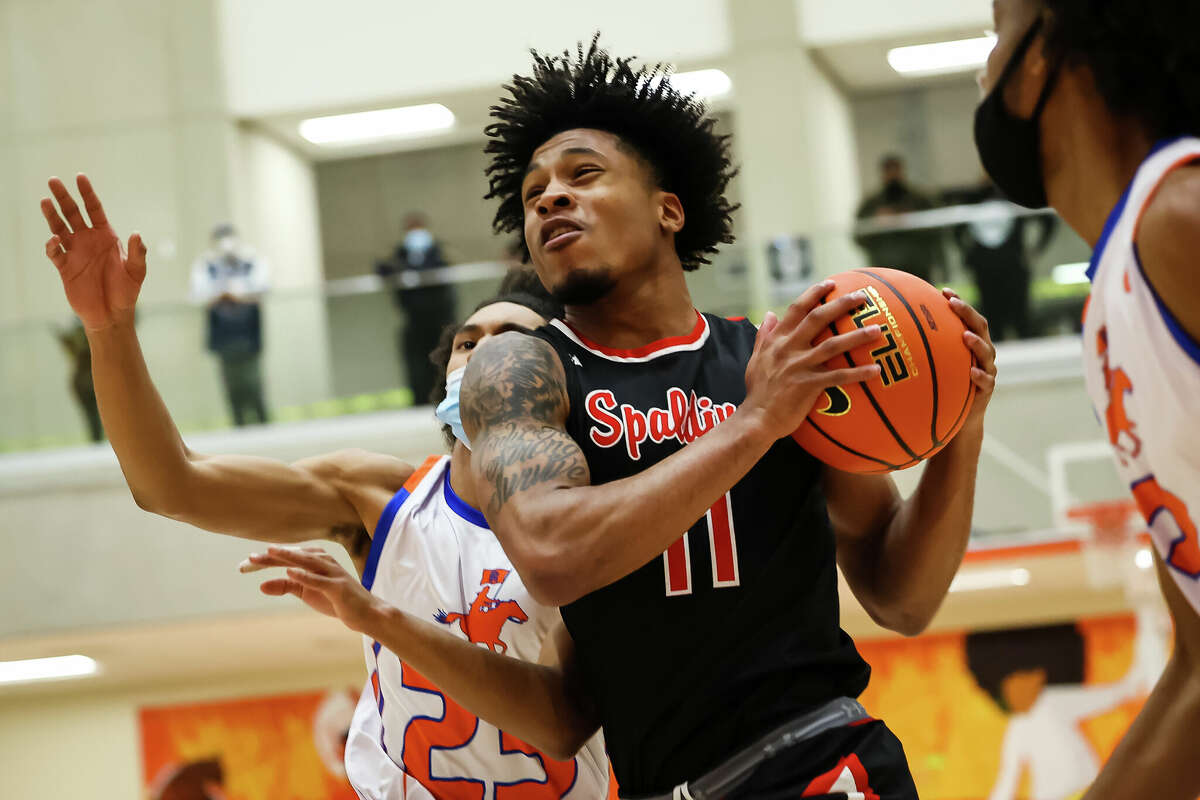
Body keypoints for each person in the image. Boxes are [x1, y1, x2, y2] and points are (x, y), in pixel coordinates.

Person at [288, 38, 987, 799]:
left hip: (820, 760)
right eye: (533, 193)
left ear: (668, 209)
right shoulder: (523, 370)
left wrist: (962, 427)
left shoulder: (769, 358)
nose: (551, 197)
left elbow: (901, 595)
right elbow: (552, 550)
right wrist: (754, 425)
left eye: (583, 174)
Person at [35, 179, 610, 799]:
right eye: (468, 343)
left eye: (510, 341)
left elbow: (560, 722)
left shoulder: (598, 514)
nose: (483, 355)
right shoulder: (377, 495)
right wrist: (109, 329)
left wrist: (374, 615)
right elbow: (170, 484)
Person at [974, 1, 1200, 797]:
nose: (983, 69)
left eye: (995, 33)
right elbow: (1196, 672)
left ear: (1042, 58)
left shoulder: (1182, 218)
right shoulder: (1120, 281)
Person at [966, 621, 1155, 800]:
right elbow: (1007, 783)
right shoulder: (1020, 726)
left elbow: (1122, 691)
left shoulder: (1051, 703)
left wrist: (1147, 627)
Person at [951, 178, 1056, 341]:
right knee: (992, 319)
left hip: (1012, 266)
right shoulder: (975, 198)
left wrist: (1034, 250)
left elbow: (1047, 220)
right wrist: (968, 253)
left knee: (1019, 318)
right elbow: (955, 228)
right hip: (987, 268)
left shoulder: (1015, 196)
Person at [190, 224, 270, 426]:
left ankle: (263, 422)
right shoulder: (206, 265)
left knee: (253, 381)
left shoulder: (251, 260)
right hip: (223, 333)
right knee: (231, 384)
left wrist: (239, 295)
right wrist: (220, 295)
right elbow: (198, 293)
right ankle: (239, 424)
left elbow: (263, 286)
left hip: (248, 332)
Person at [376, 213, 457, 404]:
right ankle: (420, 399)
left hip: (440, 319)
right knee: (416, 363)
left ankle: (447, 397)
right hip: (413, 320)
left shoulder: (438, 251)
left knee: (441, 359)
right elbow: (382, 268)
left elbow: (442, 268)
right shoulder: (400, 253)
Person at [854, 154, 943, 283]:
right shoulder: (871, 203)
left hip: (918, 268)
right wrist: (877, 222)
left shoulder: (920, 199)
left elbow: (937, 230)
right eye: (888, 170)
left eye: (895, 169)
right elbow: (859, 236)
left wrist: (910, 219)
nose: (893, 174)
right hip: (884, 270)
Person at [54, 318, 103, 442]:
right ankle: (97, 442)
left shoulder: (85, 340)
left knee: (95, 415)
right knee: (93, 415)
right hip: (84, 383)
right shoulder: (80, 343)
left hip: (89, 381)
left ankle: (98, 441)